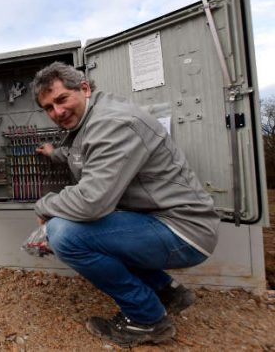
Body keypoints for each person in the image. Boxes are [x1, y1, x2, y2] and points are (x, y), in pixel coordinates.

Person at [31, 61, 219, 347]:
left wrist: (44, 206)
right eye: (48, 107)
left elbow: (91, 203)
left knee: (64, 234)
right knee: (95, 231)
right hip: (162, 221)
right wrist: (53, 152)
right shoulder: (91, 121)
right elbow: (80, 154)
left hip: (183, 231)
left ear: (84, 88)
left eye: (61, 99)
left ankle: (147, 319)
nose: (57, 112)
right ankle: (166, 292)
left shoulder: (112, 123)